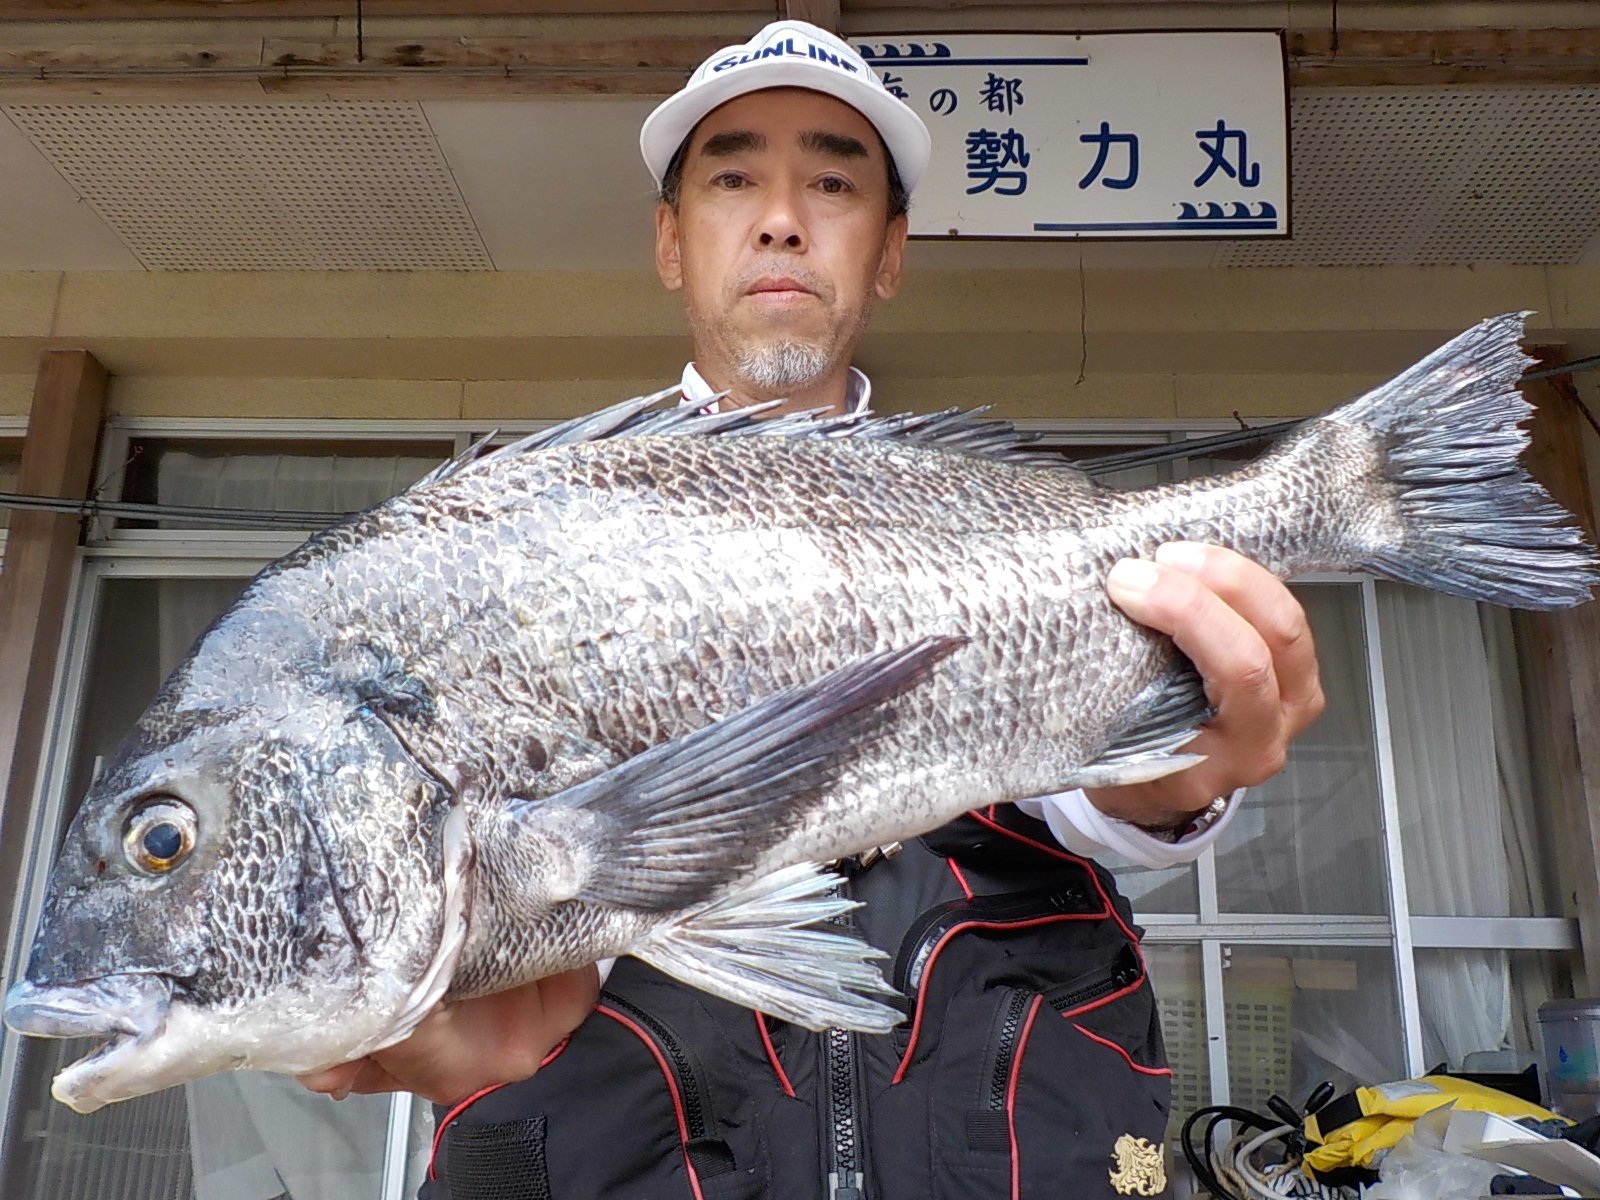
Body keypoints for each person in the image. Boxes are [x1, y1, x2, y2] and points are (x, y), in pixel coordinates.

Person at [299, 20, 1324, 1198]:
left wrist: (1174, 791)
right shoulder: (516, 536)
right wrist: (414, 976)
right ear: (670, 241)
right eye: (733, 179)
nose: (782, 218)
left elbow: (1085, 794)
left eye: (833, 184)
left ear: (889, 253)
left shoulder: (987, 517)